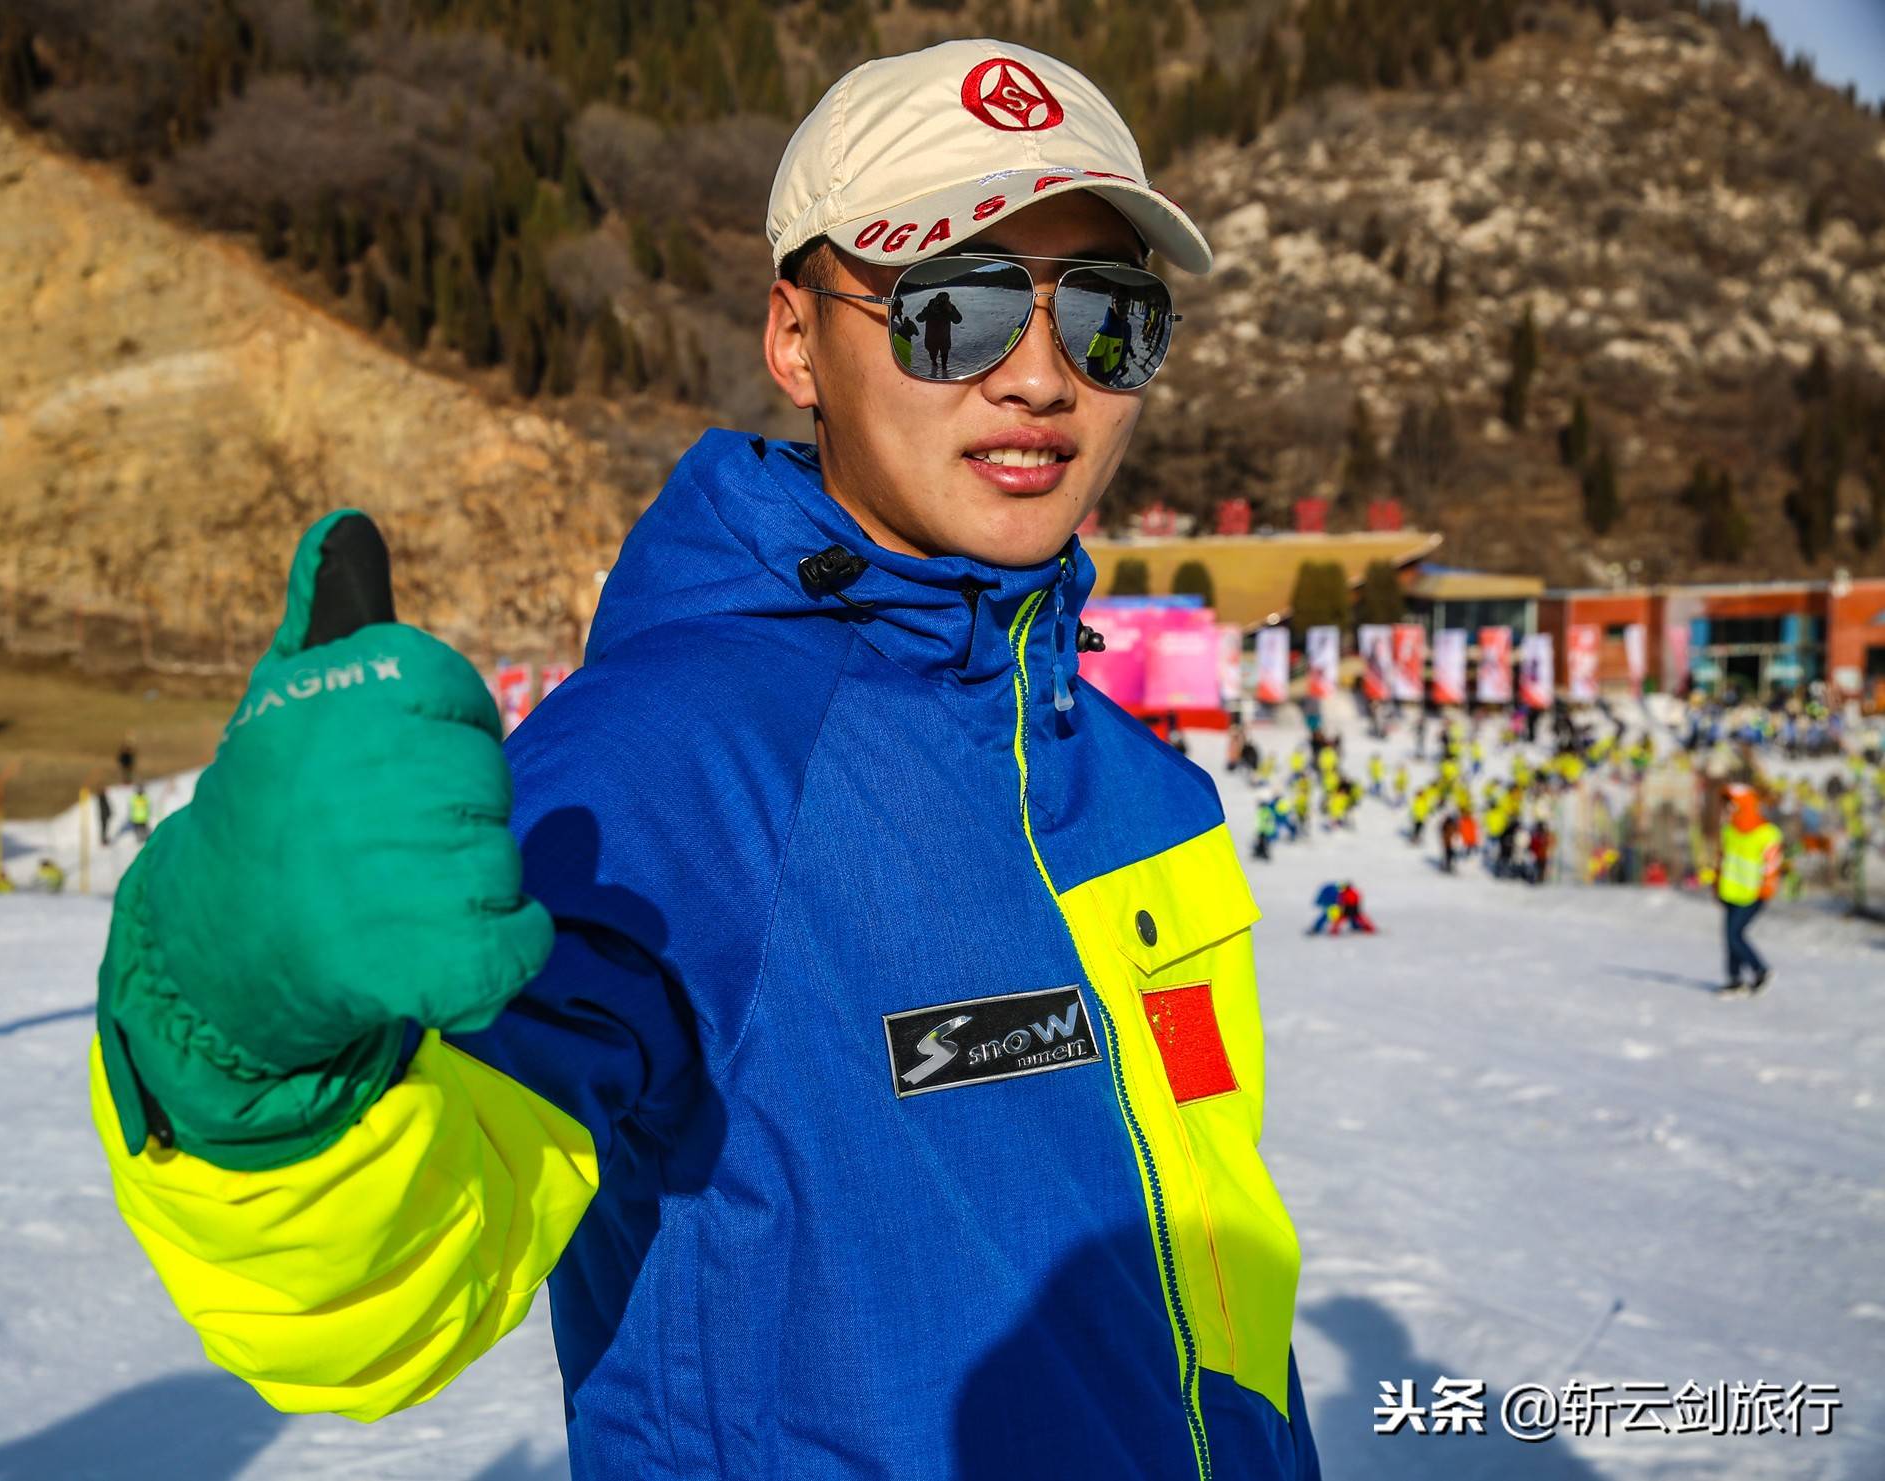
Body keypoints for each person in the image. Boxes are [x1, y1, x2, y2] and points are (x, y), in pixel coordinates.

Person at [89, 39, 1317, 1481]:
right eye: (952, 309)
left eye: (1107, 316)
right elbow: (388, 1284)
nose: (1041, 376)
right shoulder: (663, 761)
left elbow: (1205, 1293)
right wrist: (244, 1043)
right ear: (795, 340)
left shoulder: (1132, 782)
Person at [1715, 783, 1783, 995]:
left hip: (1753, 894)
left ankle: (1760, 969)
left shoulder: (1767, 833)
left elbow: (1772, 863)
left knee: (1734, 935)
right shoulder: (1728, 830)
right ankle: (1735, 980)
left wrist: (1767, 887)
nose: (1728, 809)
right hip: (1730, 892)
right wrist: (1716, 883)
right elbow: (1723, 859)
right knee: (1730, 936)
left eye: (1732, 805)